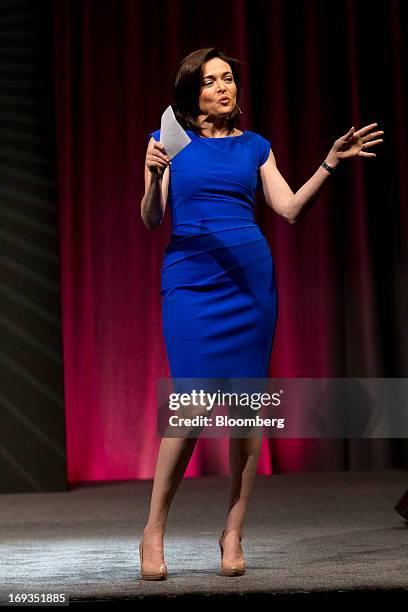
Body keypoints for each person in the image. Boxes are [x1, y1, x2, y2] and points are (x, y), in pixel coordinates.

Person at [139, 47, 384, 580]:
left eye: (229, 79)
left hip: (250, 282)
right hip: (190, 282)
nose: (224, 88)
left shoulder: (257, 147)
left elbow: (291, 208)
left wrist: (329, 163)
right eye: (211, 81)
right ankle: (154, 529)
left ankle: (233, 532)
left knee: (248, 412)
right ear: (192, 91)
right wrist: (154, 175)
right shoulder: (167, 142)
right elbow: (153, 217)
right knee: (190, 406)